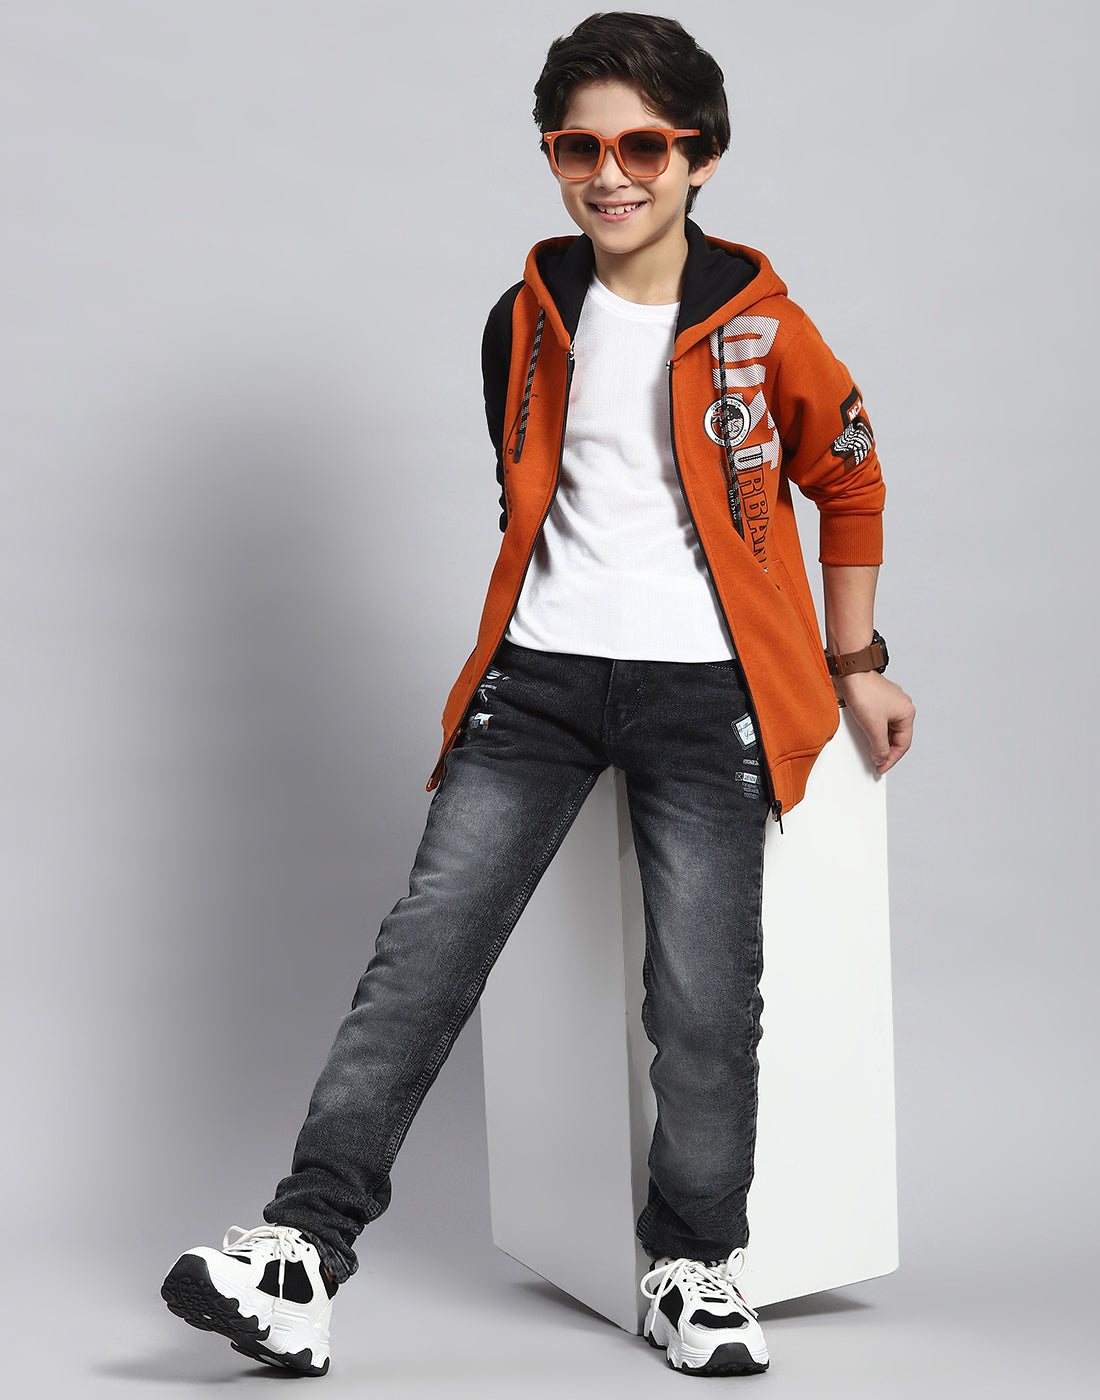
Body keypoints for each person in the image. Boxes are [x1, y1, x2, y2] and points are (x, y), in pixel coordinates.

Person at [161, 11, 915, 1379]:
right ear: (554, 158)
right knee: (421, 962)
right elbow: (531, 503)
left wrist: (854, 664)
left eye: (644, 147)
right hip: (538, 684)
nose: (610, 175)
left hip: (710, 700)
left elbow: (850, 478)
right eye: (580, 148)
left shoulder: (766, 329)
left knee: (704, 1004)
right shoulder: (523, 319)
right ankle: (300, 1256)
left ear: (701, 156)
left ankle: (692, 1266)